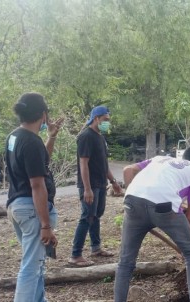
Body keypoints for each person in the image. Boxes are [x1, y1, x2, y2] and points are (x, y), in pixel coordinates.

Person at [114, 145, 190, 302]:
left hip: (132, 201)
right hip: (164, 206)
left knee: (125, 262)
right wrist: (186, 243)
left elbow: (128, 170)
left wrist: (136, 202)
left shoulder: (159, 159)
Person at [5, 92, 63, 302]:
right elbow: (37, 184)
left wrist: (51, 137)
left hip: (17, 207)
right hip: (32, 210)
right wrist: (45, 224)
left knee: (37, 262)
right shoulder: (31, 142)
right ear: (44, 114)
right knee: (31, 265)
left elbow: (40, 163)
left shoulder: (14, 137)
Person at [69, 106, 122, 267]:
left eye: (108, 120)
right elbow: (83, 163)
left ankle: (96, 248)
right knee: (87, 217)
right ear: (96, 118)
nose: (107, 123)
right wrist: (87, 188)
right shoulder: (86, 136)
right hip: (90, 185)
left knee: (96, 216)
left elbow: (104, 164)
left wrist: (114, 182)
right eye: (105, 120)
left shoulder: (100, 137)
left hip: (101, 184)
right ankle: (75, 254)